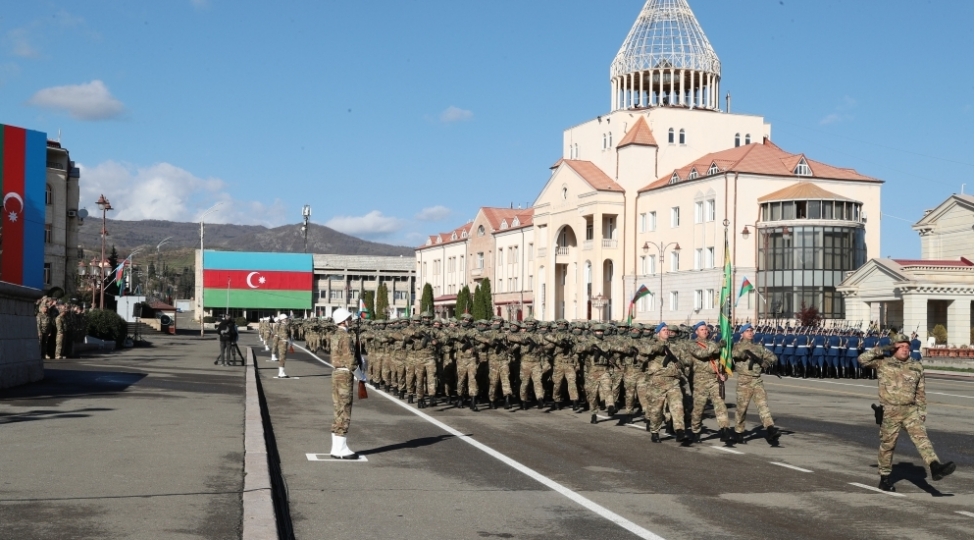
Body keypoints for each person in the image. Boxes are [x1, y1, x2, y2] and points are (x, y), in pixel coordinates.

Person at [858, 333, 955, 492]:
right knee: (888, 446)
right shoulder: (883, 363)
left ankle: (935, 466)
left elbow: (920, 391)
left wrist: (922, 410)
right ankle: (885, 478)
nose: (905, 349)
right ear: (894, 347)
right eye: (901, 346)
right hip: (890, 411)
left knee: (922, 439)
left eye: (907, 347)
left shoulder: (916, 366)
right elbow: (862, 359)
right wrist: (884, 348)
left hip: (910, 411)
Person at [731, 324, 781, 445]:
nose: (750, 332)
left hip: (757, 380)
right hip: (744, 381)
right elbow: (736, 355)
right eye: (747, 331)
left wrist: (766, 362)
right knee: (742, 409)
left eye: (751, 330)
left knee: (763, 405)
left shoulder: (759, 347)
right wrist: (747, 353)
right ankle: (739, 432)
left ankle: (770, 430)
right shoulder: (737, 346)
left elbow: (773, 356)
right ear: (741, 334)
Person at [329, 308, 359, 459]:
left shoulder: (335, 335)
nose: (351, 321)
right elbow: (350, 360)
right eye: (349, 318)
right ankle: (341, 448)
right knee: (345, 409)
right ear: (343, 320)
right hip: (344, 374)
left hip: (336, 373)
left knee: (338, 408)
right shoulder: (345, 337)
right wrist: (360, 375)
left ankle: (336, 447)